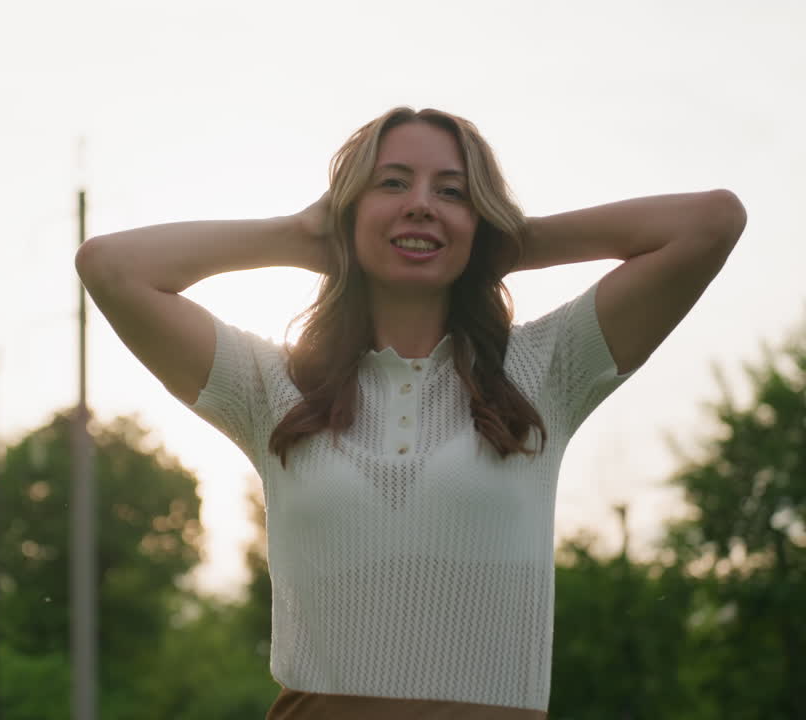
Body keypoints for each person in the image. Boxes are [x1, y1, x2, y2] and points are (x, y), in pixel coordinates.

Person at [74, 107, 746, 719]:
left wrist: (510, 241)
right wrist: (305, 234)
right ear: (347, 211)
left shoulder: (548, 369)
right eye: (392, 184)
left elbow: (711, 221)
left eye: (452, 192)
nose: (421, 205)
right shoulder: (271, 384)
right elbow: (111, 266)